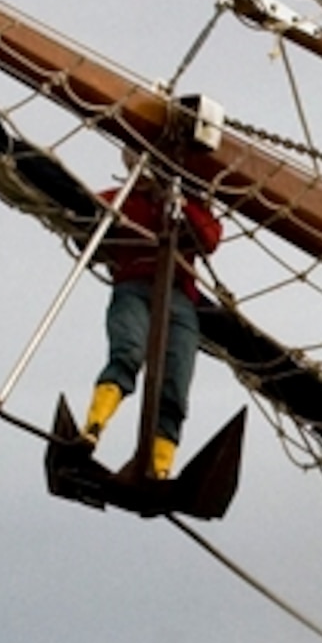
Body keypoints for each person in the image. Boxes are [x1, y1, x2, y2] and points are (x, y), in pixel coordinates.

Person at [82, 170, 223, 480]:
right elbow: (87, 212)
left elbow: (210, 240)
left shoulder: (189, 206)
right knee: (128, 353)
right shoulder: (123, 199)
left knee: (176, 385)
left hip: (179, 299)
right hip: (133, 285)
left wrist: (181, 204)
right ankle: (93, 426)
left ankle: (159, 467)